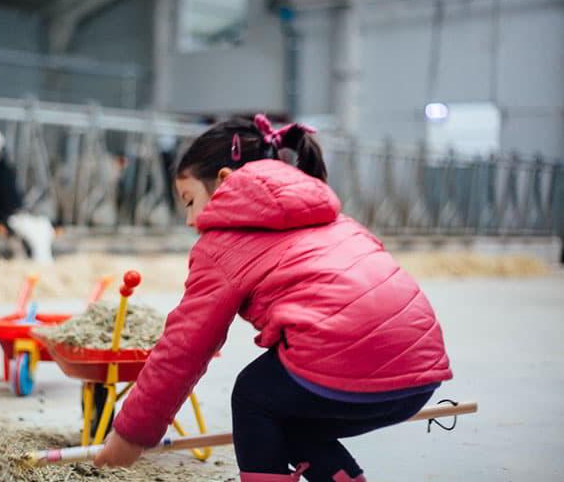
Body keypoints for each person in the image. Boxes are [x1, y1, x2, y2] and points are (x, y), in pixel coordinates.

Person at [94, 115, 452, 481]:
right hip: (421, 373)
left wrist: (131, 434)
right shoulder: (336, 218)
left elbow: (184, 347)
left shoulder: (220, 246)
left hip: (345, 365)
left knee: (253, 399)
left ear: (223, 181)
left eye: (189, 201)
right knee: (290, 418)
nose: (189, 220)